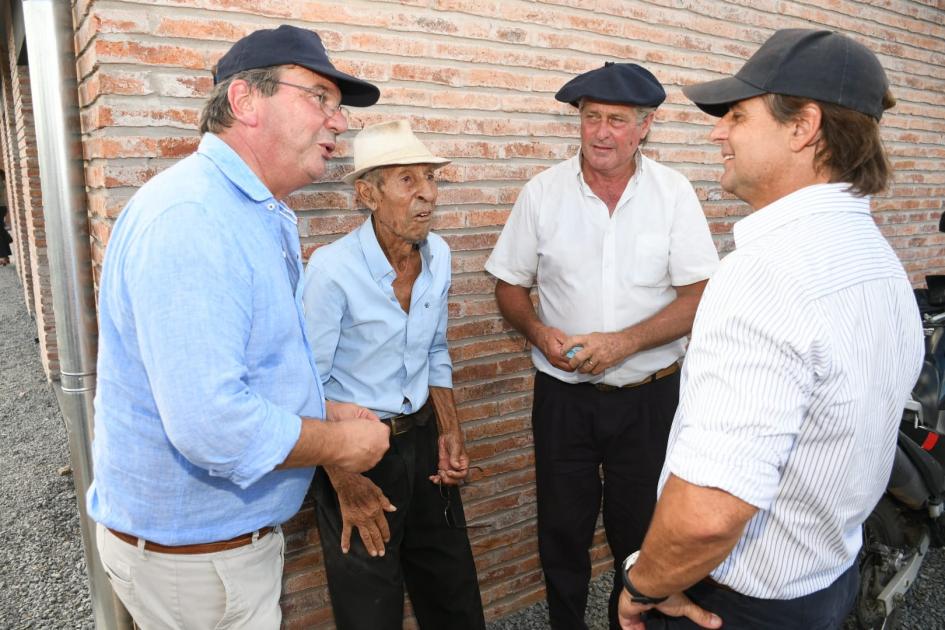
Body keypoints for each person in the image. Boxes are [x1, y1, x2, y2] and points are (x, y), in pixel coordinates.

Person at [617, 29, 925, 630]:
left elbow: (708, 513)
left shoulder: (763, 274)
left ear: (802, 126)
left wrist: (642, 585)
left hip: (736, 603)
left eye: (736, 114)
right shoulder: (877, 256)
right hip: (828, 580)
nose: (717, 132)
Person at [87, 25, 391, 629]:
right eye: (320, 98)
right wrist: (338, 445)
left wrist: (321, 409)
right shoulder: (195, 219)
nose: (338, 122)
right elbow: (211, 424)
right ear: (245, 101)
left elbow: (243, 367)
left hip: (212, 555)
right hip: (197, 565)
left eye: (339, 106)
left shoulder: (248, 208)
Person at [485, 62, 719, 629]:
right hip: (564, 399)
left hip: (649, 399)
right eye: (592, 118)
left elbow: (700, 295)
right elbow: (508, 285)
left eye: (617, 120)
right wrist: (539, 332)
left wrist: (624, 343)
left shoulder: (673, 193)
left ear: (645, 127)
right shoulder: (542, 192)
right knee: (561, 529)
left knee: (640, 532)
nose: (602, 132)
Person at [302, 119, 486, 629]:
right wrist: (342, 477)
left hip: (424, 440)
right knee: (370, 608)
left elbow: (436, 349)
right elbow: (303, 386)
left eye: (431, 178)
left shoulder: (439, 255)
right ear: (367, 193)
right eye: (408, 180)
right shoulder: (331, 271)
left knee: (453, 593)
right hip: (355, 450)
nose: (427, 194)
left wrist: (450, 430)